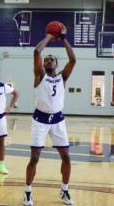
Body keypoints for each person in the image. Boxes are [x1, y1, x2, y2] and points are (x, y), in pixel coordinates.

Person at [23, 24, 76, 206]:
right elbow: (37, 52)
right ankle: (28, 192)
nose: (47, 61)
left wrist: (62, 39)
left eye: (51, 59)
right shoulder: (40, 75)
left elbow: (73, 59)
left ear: (56, 64)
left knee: (66, 157)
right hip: (40, 119)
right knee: (35, 158)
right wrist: (48, 36)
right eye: (46, 60)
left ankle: (65, 190)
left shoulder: (62, 77)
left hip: (58, 119)